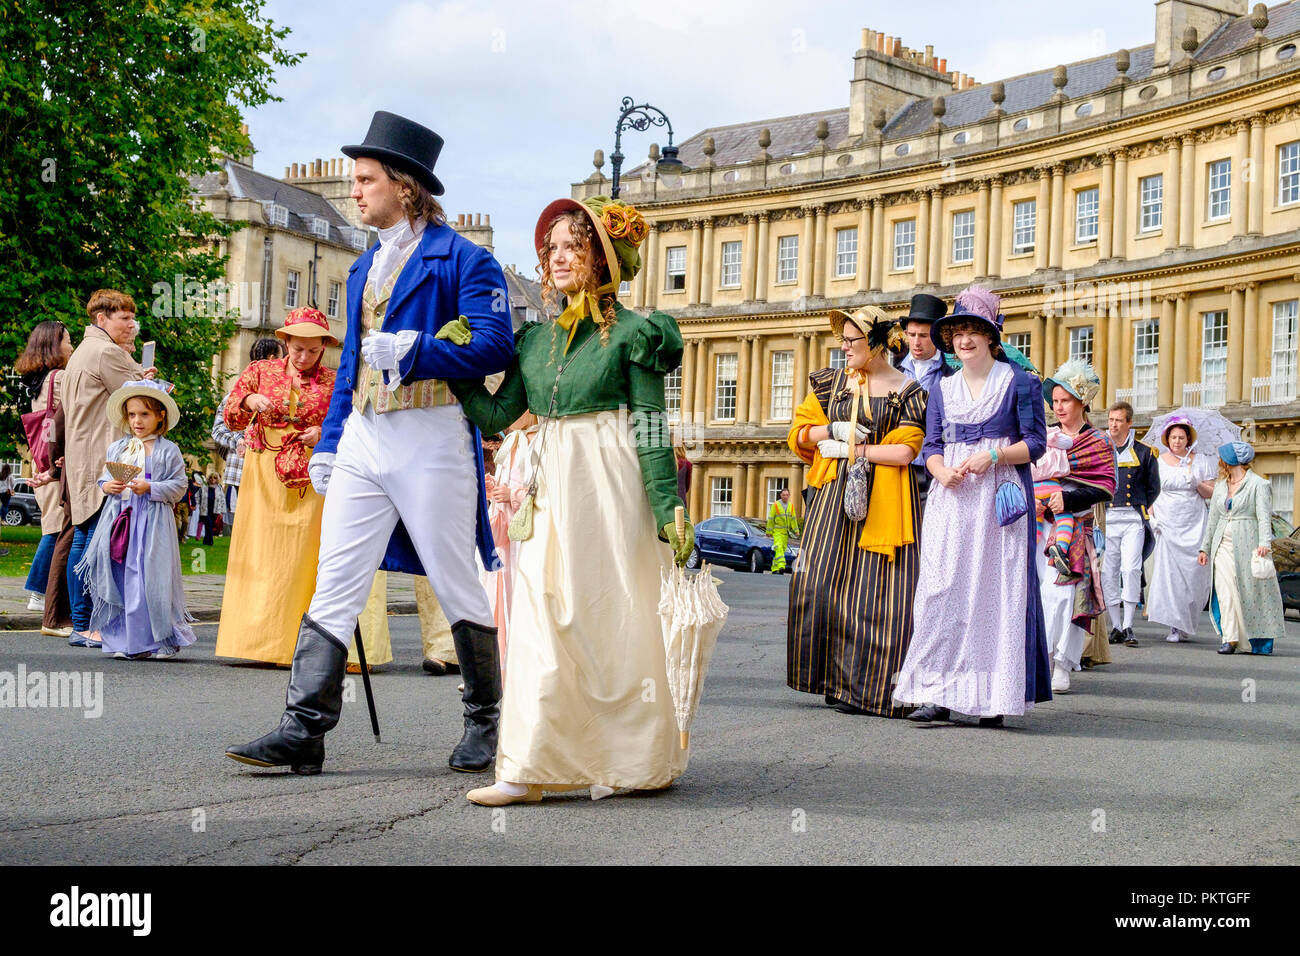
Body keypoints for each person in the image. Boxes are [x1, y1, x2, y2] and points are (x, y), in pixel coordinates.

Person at [226, 111, 514, 776]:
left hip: (434, 434)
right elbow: (352, 361)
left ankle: (486, 722)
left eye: (365, 180)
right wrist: (330, 442)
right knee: (335, 583)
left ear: (405, 187)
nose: (354, 191)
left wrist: (420, 350)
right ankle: (303, 731)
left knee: (454, 581)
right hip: (362, 434)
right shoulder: (362, 268)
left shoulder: (466, 259)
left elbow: (497, 345)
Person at [448, 194, 693, 806]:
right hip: (549, 480)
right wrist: (458, 368)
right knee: (537, 615)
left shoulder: (636, 335)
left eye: (572, 246)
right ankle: (527, 768)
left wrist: (669, 509)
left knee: (609, 617)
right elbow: (501, 414)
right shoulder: (533, 341)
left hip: (611, 484)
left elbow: (652, 426)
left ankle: (629, 759)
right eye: (551, 248)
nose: (557, 258)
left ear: (601, 258)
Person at [893, 286, 1050, 726]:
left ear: (991, 337)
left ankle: (991, 697)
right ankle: (935, 692)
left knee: (993, 596)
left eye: (974, 331)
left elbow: (1035, 444)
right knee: (942, 592)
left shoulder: (1020, 382)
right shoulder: (942, 389)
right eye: (959, 331)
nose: (965, 339)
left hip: (998, 502)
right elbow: (933, 444)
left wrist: (995, 455)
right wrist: (939, 470)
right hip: (952, 500)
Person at [787, 305, 926, 717]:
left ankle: (869, 689)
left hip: (884, 500)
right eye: (842, 339)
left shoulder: (909, 391)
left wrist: (857, 449)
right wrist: (831, 431)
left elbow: (905, 451)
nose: (843, 347)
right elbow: (798, 434)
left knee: (877, 596)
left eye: (852, 340)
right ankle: (831, 679)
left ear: (877, 344)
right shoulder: (831, 384)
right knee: (820, 584)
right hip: (832, 498)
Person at [214, 308, 338, 666]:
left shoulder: (334, 379)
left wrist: (323, 433)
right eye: (298, 349)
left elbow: (348, 421)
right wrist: (250, 400)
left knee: (301, 555)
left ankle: (296, 645)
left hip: (310, 471)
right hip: (263, 471)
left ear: (324, 347)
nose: (305, 358)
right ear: (285, 342)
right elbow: (232, 417)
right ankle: (254, 641)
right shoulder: (259, 371)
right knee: (260, 551)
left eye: (314, 351)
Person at [61, 289, 155, 648]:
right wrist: (146, 376)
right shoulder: (106, 351)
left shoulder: (85, 351)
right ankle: (85, 624)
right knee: (94, 543)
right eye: (125, 319)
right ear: (101, 319)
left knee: (85, 536)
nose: (132, 325)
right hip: (104, 457)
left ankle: (83, 623)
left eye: (132, 318)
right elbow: (143, 399)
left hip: (83, 455)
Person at [76, 380, 195, 660]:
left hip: (153, 523)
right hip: (122, 521)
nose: (137, 421)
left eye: (144, 414)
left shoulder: (168, 450)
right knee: (121, 577)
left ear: (160, 416)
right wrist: (108, 487)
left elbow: (179, 485)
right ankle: (125, 640)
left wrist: (151, 488)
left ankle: (157, 640)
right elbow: (105, 478)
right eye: (132, 415)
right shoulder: (119, 448)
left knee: (150, 578)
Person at [1035, 361, 1116, 691]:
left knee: (1065, 594)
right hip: (1039, 526)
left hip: (1074, 529)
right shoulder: (1044, 435)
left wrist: (1067, 500)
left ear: (1081, 401)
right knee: (1039, 593)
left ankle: (1062, 661)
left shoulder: (1097, 441)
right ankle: (1040, 656)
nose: (1058, 407)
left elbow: (1105, 487)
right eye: (1054, 401)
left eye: (1064, 400)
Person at [15, 321, 75, 634]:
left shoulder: (39, 381)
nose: (72, 345)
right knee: (56, 529)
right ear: (55, 345)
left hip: (42, 465)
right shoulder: (61, 377)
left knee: (52, 527)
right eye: (67, 340)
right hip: (56, 468)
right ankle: (38, 591)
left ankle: (40, 591)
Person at [1198, 442, 1286, 655]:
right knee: (1225, 591)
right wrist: (1205, 548)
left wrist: (1265, 543)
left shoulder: (1258, 484)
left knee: (1246, 591)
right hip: (1222, 545)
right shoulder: (1221, 485)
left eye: (1223, 457)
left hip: (1247, 543)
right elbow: (1213, 519)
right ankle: (1230, 638)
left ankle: (1252, 639)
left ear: (1232, 461)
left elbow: (1264, 517)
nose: (1220, 461)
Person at [480, 410, 539, 673]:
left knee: (522, 599)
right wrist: (495, 490)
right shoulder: (511, 443)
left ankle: (521, 670)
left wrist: (512, 494)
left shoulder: (539, 441)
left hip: (527, 539)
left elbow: (545, 491)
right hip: (506, 537)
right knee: (497, 599)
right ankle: (498, 669)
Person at [1146, 418, 1215, 642]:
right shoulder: (1158, 461)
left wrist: (1197, 482)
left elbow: (1210, 493)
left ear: (1188, 439)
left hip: (1194, 521)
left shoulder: (1200, 461)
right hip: (1168, 520)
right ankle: (1174, 624)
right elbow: (1152, 491)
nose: (1177, 441)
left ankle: (1188, 620)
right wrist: (1153, 515)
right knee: (1170, 575)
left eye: (1181, 437)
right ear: (1167, 439)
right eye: (1173, 437)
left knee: (1193, 574)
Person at [1101, 401, 1160, 647]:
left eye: (1118, 420)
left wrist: (1139, 504)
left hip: (1133, 518)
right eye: (1111, 419)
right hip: (1107, 517)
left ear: (1129, 423)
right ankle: (1115, 625)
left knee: (1132, 569)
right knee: (1108, 571)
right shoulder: (1101, 448)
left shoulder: (1145, 452)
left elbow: (1153, 487)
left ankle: (1128, 625)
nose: (1113, 424)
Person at [212, 338, 285, 535]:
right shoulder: (237, 396)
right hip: (245, 476)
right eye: (283, 357)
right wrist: (238, 440)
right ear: (271, 359)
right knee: (249, 532)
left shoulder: (284, 394)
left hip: (276, 473)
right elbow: (217, 430)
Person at [897, 293, 953, 506]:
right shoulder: (894, 373)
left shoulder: (952, 377)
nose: (916, 343)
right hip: (896, 467)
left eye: (924, 335)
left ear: (938, 336)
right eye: (911, 335)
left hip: (933, 471)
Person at [766, 486, 800, 573]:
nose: (785, 496)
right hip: (777, 532)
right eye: (784, 495)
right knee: (779, 548)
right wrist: (769, 532)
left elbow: (793, 519)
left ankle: (774, 568)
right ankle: (781, 565)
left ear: (789, 496)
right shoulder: (775, 505)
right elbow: (771, 519)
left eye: (787, 495)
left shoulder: (791, 506)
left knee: (780, 550)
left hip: (785, 533)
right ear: (780, 495)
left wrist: (796, 531)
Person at [196, 473, 222, 546]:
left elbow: (222, 499)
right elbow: (197, 496)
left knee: (209, 526)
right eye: (211, 477)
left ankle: (205, 541)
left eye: (214, 478)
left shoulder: (219, 488)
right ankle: (210, 541)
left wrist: (221, 511)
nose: (212, 479)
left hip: (215, 510)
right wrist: (198, 504)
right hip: (205, 510)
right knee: (209, 525)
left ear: (217, 479)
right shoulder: (204, 487)